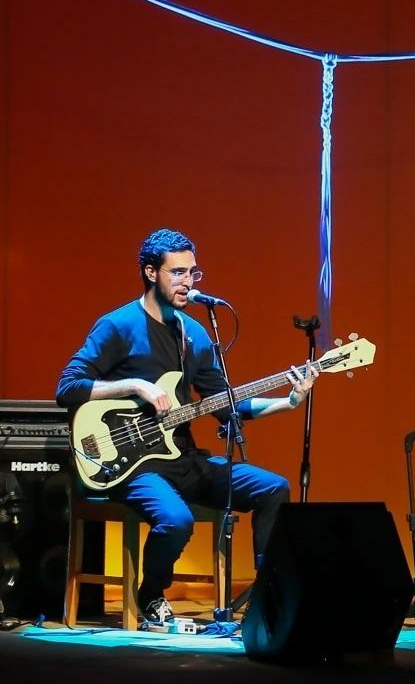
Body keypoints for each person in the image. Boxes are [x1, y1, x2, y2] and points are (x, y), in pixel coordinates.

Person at [55, 228, 316, 625]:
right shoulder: (118, 325)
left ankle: (269, 593)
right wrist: (135, 384)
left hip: (183, 458)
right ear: (150, 272)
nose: (187, 282)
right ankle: (151, 594)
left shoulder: (192, 334)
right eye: (177, 272)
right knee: (177, 519)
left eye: (193, 272)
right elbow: (68, 387)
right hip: (131, 463)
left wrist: (288, 400)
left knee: (273, 487)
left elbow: (226, 404)